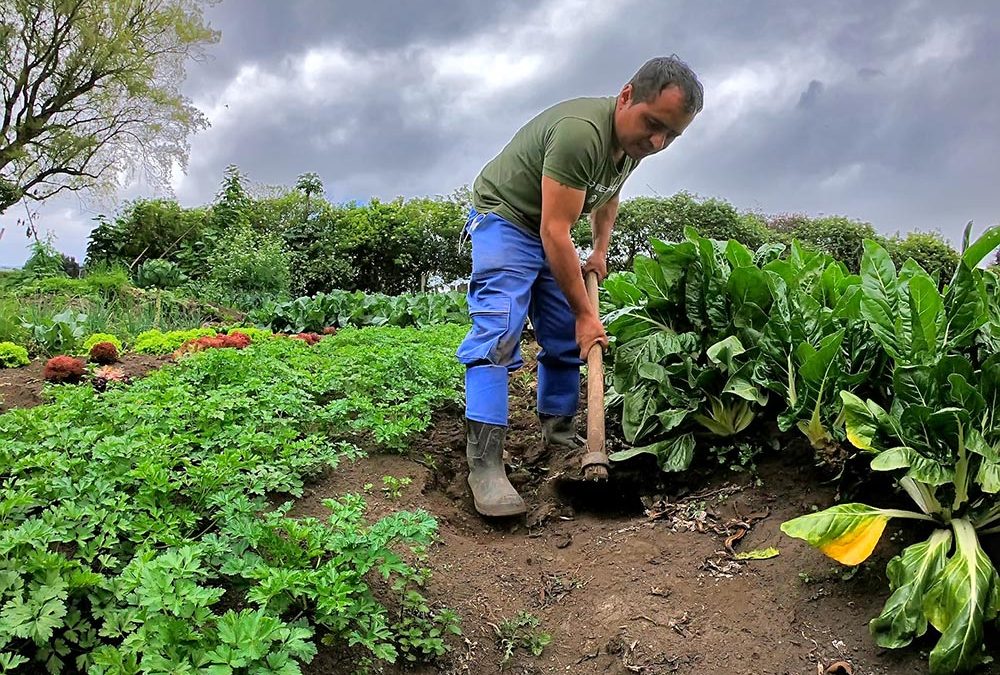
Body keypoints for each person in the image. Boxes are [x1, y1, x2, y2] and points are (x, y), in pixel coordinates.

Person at [456, 55, 704, 517]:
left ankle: (560, 438)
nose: (657, 141)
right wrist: (589, 316)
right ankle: (485, 464)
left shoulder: (633, 144)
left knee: (564, 336)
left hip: (551, 224)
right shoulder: (580, 133)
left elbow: (608, 195)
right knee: (500, 329)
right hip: (508, 217)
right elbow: (554, 230)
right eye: (653, 125)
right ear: (626, 95)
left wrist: (600, 252)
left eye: (671, 135)